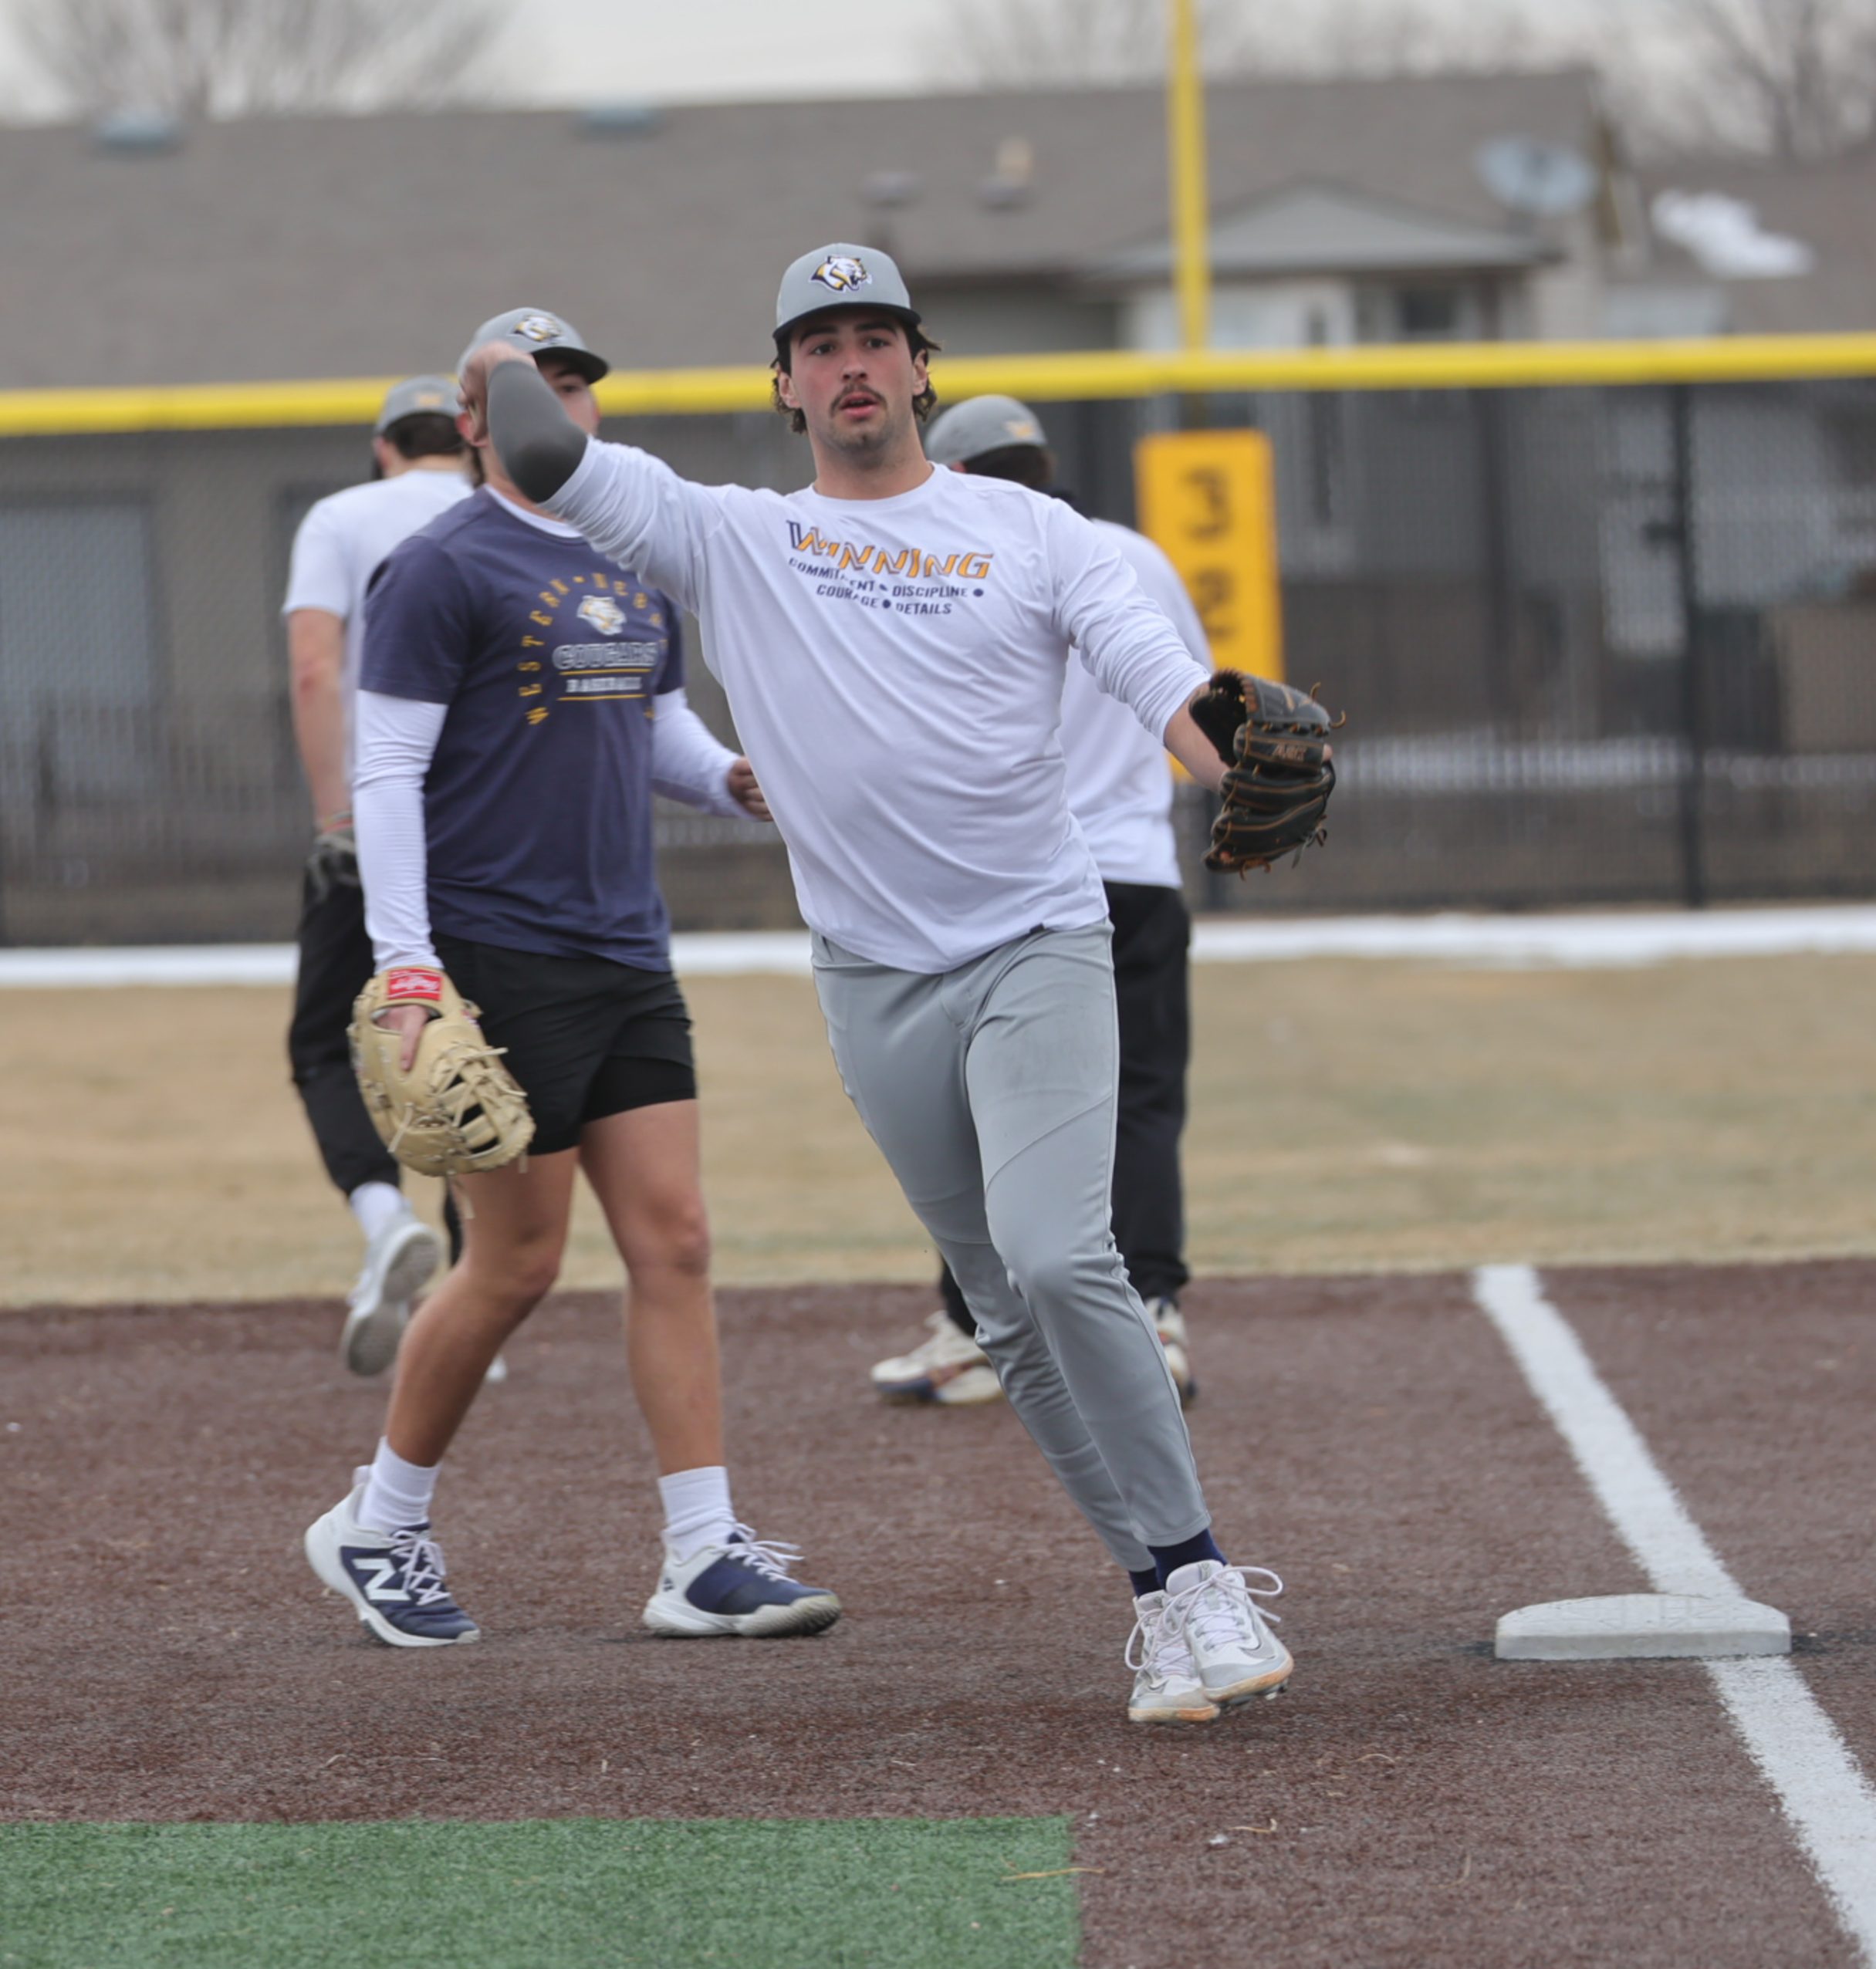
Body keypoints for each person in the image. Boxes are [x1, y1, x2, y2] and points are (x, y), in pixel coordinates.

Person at [463, 246, 1298, 1725]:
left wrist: (1222, 756)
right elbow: (536, 447)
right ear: (784, 386)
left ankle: (1207, 1574)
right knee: (998, 1310)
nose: (852, 364)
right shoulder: (732, 537)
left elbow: (1146, 662)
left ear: (923, 367)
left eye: (877, 338)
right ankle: (1165, 1592)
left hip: (1036, 943)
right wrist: (507, 357)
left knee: (1057, 1257)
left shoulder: (1033, 530)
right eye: (820, 343)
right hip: (872, 979)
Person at [303, 306, 840, 1649]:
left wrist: (729, 779)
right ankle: (381, 1521)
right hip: (498, 950)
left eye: (575, 384)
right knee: (518, 1262)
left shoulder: (623, 549)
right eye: (528, 389)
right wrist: (411, 965)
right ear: (473, 422)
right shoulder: (440, 566)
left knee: (677, 1241)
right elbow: (384, 774)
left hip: (623, 947)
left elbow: (651, 720)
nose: (561, 405)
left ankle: (703, 1553)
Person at [869, 393, 1203, 1411]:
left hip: (1009, 885)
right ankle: (1153, 1317)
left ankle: (977, 1331)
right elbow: (1195, 692)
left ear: (956, 475)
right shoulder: (1135, 555)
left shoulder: (949, 565)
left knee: (973, 1113)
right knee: (1138, 1104)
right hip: (1138, 868)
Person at [282, 377, 470, 1376]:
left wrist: (335, 818)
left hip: (378, 820)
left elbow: (317, 667)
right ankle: (471, 1308)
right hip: (485, 831)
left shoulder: (342, 515)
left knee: (323, 1045)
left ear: (383, 445)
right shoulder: (499, 512)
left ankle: (385, 1213)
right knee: (477, 1048)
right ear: (467, 440)